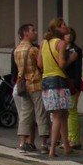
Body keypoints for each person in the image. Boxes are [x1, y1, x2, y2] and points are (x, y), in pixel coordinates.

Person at [39, 17, 78, 157]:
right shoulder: (61, 43)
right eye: (63, 25)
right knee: (58, 116)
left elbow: (39, 63)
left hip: (46, 81)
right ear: (57, 29)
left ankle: (66, 146)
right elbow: (62, 64)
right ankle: (52, 149)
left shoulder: (44, 43)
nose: (66, 26)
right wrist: (71, 59)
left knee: (63, 115)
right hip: (58, 81)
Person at [12, 23, 50, 153]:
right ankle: (43, 144)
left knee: (25, 114)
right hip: (36, 84)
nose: (35, 32)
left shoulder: (16, 50)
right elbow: (41, 64)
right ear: (25, 33)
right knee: (41, 113)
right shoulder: (33, 50)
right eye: (33, 30)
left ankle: (22, 143)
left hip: (23, 86)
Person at [64, 26, 83, 149]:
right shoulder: (60, 48)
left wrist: (76, 83)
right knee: (63, 112)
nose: (69, 36)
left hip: (72, 82)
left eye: (71, 34)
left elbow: (77, 69)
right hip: (62, 81)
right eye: (67, 34)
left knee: (72, 111)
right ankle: (66, 138)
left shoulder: (76, 50)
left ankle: (74, 139)